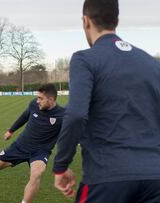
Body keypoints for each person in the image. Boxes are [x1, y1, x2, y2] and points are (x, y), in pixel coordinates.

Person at [53, 0, 160, 202]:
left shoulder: (85, 59)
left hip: (107, 178)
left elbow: (76, 115)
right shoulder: (151, 63)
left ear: (86, 21)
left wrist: (61, 165)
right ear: (117, 21)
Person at [0, 84, 65, 203]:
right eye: (37, 97)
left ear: (51, 99)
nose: (37, 101)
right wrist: (11, 130)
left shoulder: (63, 115)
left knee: (36, 174)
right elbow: (24, 116)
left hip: (40, 152)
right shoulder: (34, 105)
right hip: (19, 146)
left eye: (41, 98)